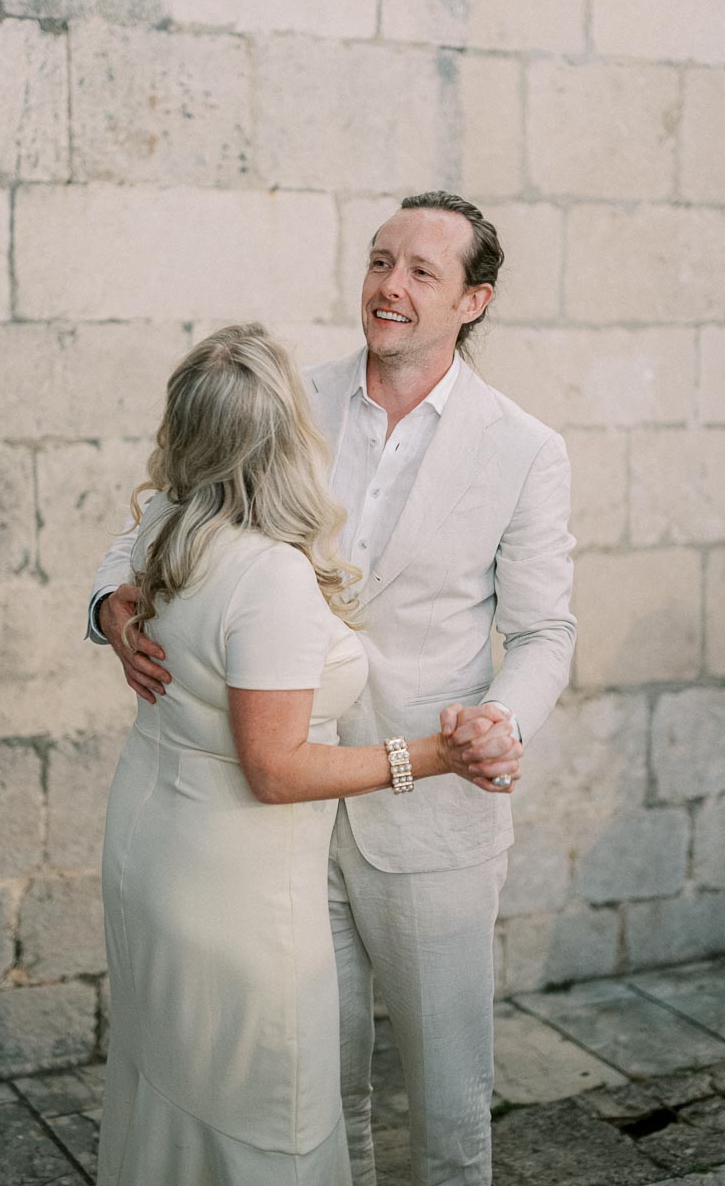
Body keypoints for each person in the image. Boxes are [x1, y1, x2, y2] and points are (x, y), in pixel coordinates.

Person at [90, 191, 577, 1185]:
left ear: (472, 301)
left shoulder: (526, 449)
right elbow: (146, 527)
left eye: (421, 272)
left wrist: (497, 720)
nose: (389, 287)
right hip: (281, 829)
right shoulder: (288, 397)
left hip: (430, 813)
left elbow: (542, 633)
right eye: (378, 260)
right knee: (318, 1092)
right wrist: (109, 608)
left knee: (449, 1108)